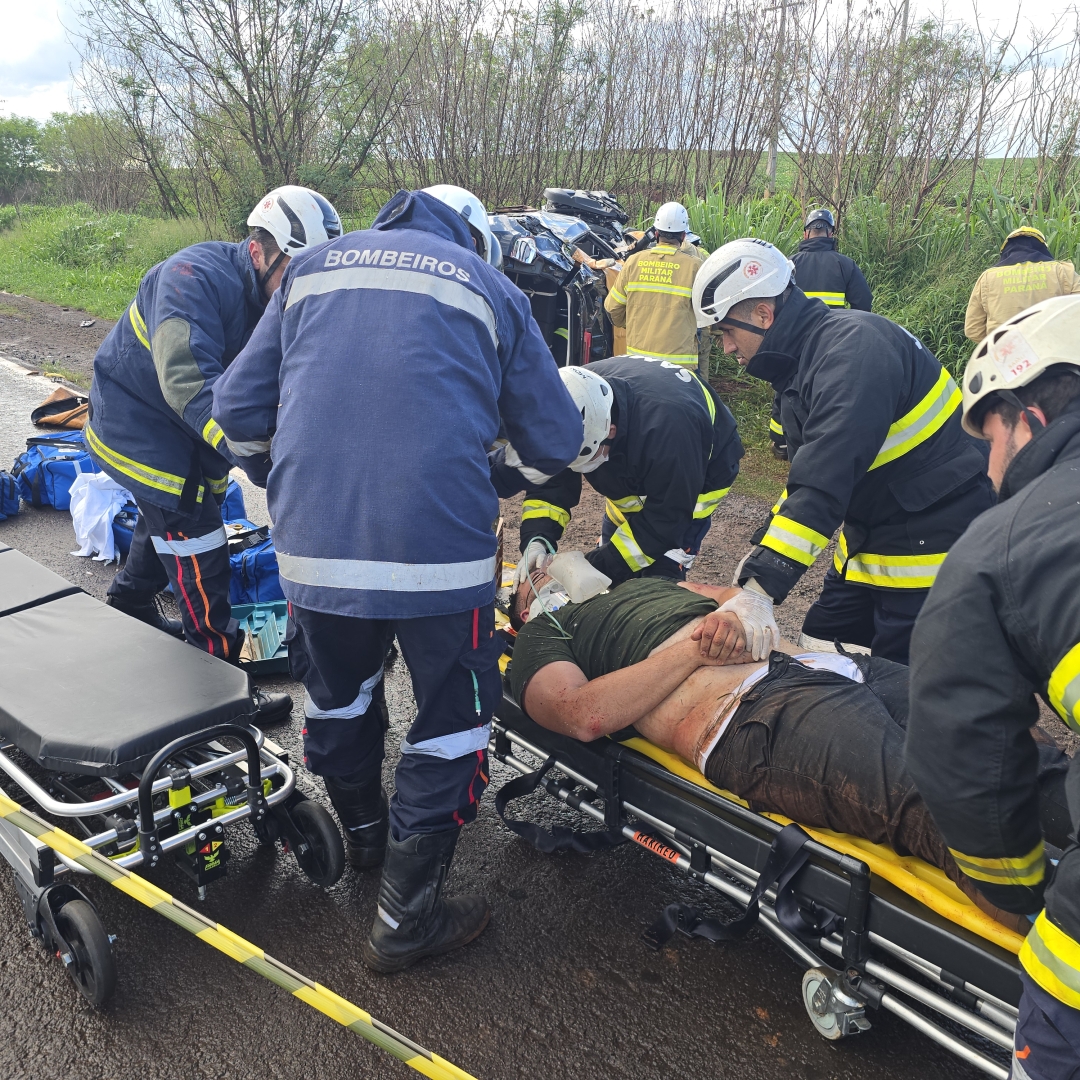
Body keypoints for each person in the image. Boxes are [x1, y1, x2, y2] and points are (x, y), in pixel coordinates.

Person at [212, 184, 584, 973]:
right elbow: (555, 439)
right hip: (439, 559)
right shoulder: (491, 287)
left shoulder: (309, 271)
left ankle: (367, 837)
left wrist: (289, 474)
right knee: (451, 719)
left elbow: (238, 412)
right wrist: (492, 475)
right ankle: (405, 917)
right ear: (477, 237)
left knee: (341, 692)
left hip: (313, 552)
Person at [505, 570, 1070, 932]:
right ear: (524, 606)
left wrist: (741, 610)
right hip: (752, 710)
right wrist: (693, 654)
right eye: (529, 578)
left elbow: (737, 596)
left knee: (1019, 750)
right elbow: (583, 715)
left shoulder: (645, 584)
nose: (543, 567)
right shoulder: (548, 631)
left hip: (840, 669)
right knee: (948, 808)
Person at [906, 295, 1080, 1079]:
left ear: (1029, 419)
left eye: (991, 436)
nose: (986, 465)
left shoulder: (1009, 541)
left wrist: (1012, 889)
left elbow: (962, 742)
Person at [86, 185, 340, 713]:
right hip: (140, 423)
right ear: (258, 250)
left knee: (166, 519)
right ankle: (223, 693)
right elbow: (185, 378)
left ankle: (129, 600)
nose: (303, 288)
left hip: (194, 432)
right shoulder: (192, 277)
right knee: (197, 541)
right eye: (293, 272)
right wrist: (253, 454)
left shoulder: (278, 297)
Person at [692, 237, 995, 666]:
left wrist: (760, 590)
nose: (725, 347)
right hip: (875, 534)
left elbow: (825, 480)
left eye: (726, 331)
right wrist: (765, 550)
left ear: (764, 314)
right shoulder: (807, 360)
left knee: (907, 687)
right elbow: (807, 474)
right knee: (823, 644)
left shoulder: (852, 352)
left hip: (930, 548)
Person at [495, 357, 744, 595]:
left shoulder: (670, 435)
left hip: (693, 484)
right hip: (648, 453)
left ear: (610, 431)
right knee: (614, 567)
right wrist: (537, 539)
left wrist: (595, 565)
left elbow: (666, 520)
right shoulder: (572, 398)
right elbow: (552, 484)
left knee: (656, 584)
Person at [767, 208, 873, 459]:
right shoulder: (845, 264)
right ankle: (823, 443)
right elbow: (863, 304)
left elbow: (775, 302)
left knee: (787, 388)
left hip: (793, 339)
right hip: (832, 339)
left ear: (806, 233)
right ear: (831, 232)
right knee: (829, 390)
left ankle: (781, 442)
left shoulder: (790, 263)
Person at [604, 202, 705, 370]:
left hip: (638, 362)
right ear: (683, 236)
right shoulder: (695, 267)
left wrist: (633, 323)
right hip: (679, 367)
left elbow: (612, 307)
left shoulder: (633, 262)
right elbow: (708, 313)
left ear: (656, 233)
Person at [964, 226, 1080, 342]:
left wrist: (996, 347)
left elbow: (973, 329)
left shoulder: (988, 277)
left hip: (1006, 355)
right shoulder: (1063, 271)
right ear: (1042, 248)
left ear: (1006, 250)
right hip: (1052, 352)